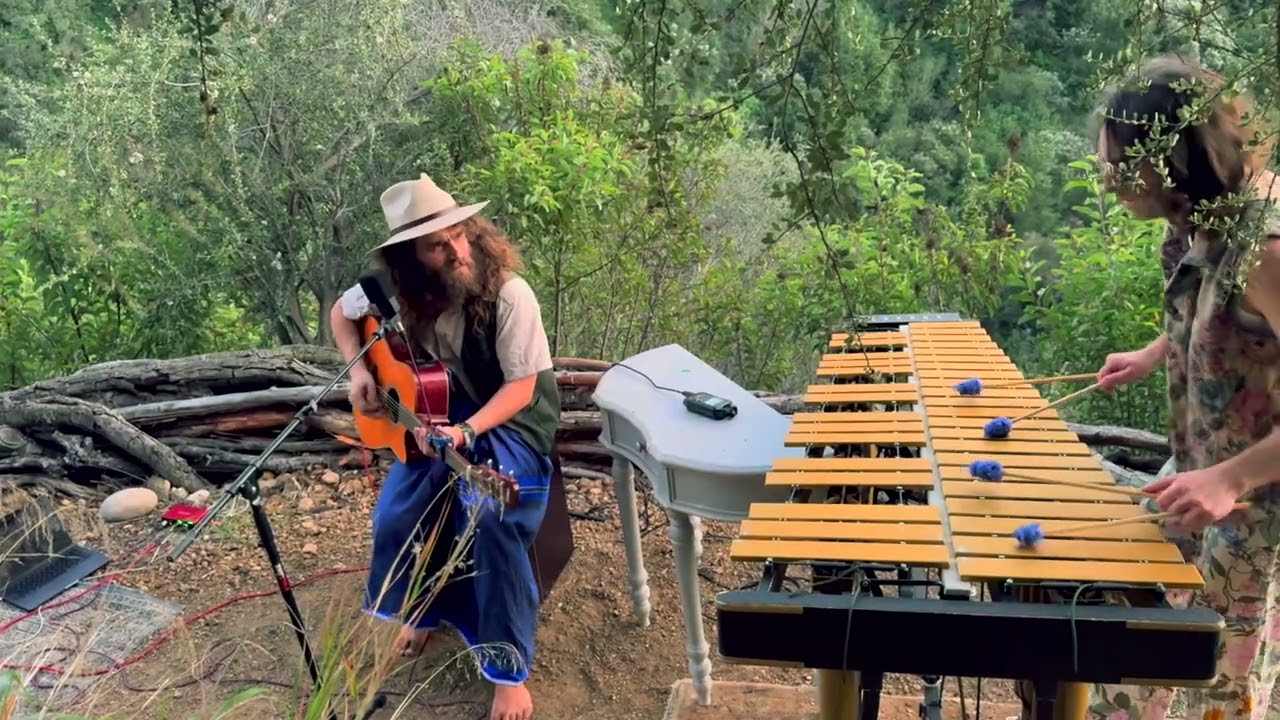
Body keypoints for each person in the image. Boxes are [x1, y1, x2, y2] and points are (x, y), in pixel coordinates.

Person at [1084, 55, 1280, 720]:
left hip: (1258, 516)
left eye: (1119, 168)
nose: (1108, 183)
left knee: (1211, 698)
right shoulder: (1201, 217)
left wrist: (1231, 479)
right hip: (1201, 482)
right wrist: (1155, 350)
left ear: (1176, 159)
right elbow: (1240, 328)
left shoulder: (1267, 248)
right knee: (1126, 655)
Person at [328, 173, 560, 720]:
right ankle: (424, 609)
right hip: (437, 416)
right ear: (410, 258)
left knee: (487, 514)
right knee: (397, 516)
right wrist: (359, 370)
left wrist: (466, 433)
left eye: (460, 234)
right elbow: (343, 313)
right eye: (438, 244)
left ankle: (508, 670)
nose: (457, 250)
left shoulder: (509, 292)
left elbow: (521, 389)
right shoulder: (392, 291)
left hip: (511, 421)